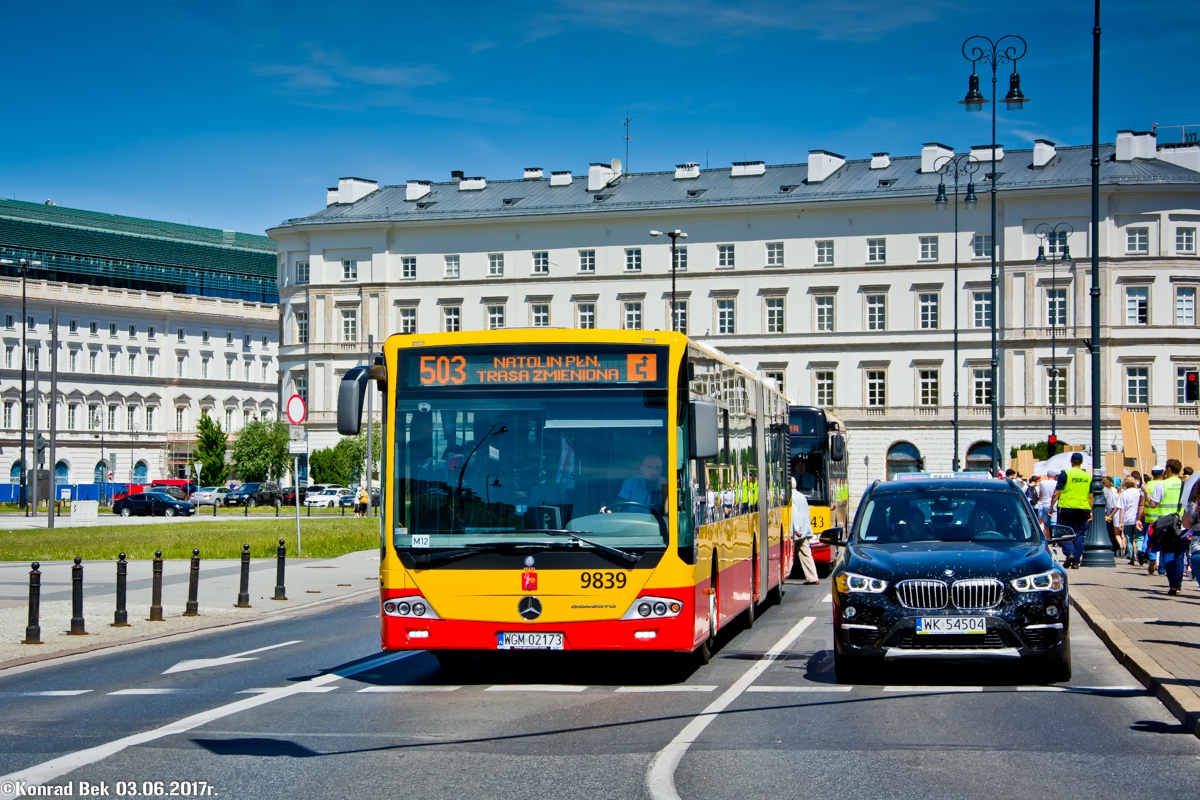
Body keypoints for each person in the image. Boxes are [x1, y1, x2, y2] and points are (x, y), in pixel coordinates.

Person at [1051, 452, 1092, 569]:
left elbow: (1057, 492)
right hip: (1083, 508)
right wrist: (1090, 511)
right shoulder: (1087, 477)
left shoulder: (1065, 474)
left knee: (1065, 532)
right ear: (1082, 462)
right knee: (1078, 534)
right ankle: (1076, 562)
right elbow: (1090, 496)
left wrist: (1051, 507)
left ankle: (1069, 553)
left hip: (1067, 507)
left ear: (1071, 461)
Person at [1148, 459, 1185, 582]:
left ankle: (1173, 584)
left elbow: (1153, 504)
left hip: (1166, 524)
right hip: (1182, 524)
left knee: (1168, 553)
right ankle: (1178, 584)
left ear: (1169, 469)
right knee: (1179, 556)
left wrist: (1146, 492)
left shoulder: (1162, 484)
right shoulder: (1184, 484)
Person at [791, 476, 819, 584]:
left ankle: (781, 576)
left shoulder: (791, 497)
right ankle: (813, 577)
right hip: (805, 529)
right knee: (806, 554)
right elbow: (806, 513)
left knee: (787, 553)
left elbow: (794, 514)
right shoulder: (802, 496)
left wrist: (796, 529)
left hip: (796, 531)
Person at [1144, 465, 1168, 575]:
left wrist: (1139, 518)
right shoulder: (1164, 484)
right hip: (1162, 517)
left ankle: (1152, 557)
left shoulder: (1146, 485)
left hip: (1149, 517)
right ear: (1162, 473)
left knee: (1151, 541)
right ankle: (1162, 568)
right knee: (1163, 544)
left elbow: (1141, 504)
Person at [1116, 476, 1143, 564]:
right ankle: (1140, 551)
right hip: (1137, 518)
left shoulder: (1124, 494)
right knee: (1139, 537)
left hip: (1127, 519)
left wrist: (1120, 521)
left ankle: (1131, 557)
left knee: (1129, 538)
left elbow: (1122, 509)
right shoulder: (1139, 491)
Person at [1103, 476, 1121, 555]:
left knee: (1110, 530)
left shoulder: (1105, 490)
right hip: (1113, 510)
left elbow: (1110, 503)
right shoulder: (1114, 490)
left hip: (1109, 510)